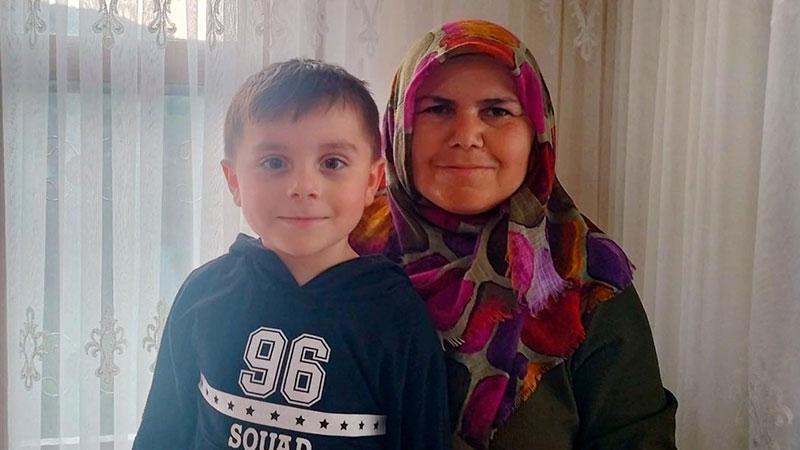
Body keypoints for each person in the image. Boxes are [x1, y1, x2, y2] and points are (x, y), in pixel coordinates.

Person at [351, 20, 678, 449]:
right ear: (399, 127)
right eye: (438, 109)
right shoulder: (340, 250)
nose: (466, 136)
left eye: (497, 111)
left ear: (536, 133)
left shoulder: (584, 278)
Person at [134, 59, 451, 450]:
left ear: (372, 181)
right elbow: (162, 433)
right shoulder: (204, 292)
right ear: (234, 181)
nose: (303, 186)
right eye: (274, 162)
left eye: (332, 163)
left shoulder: (399, 318)